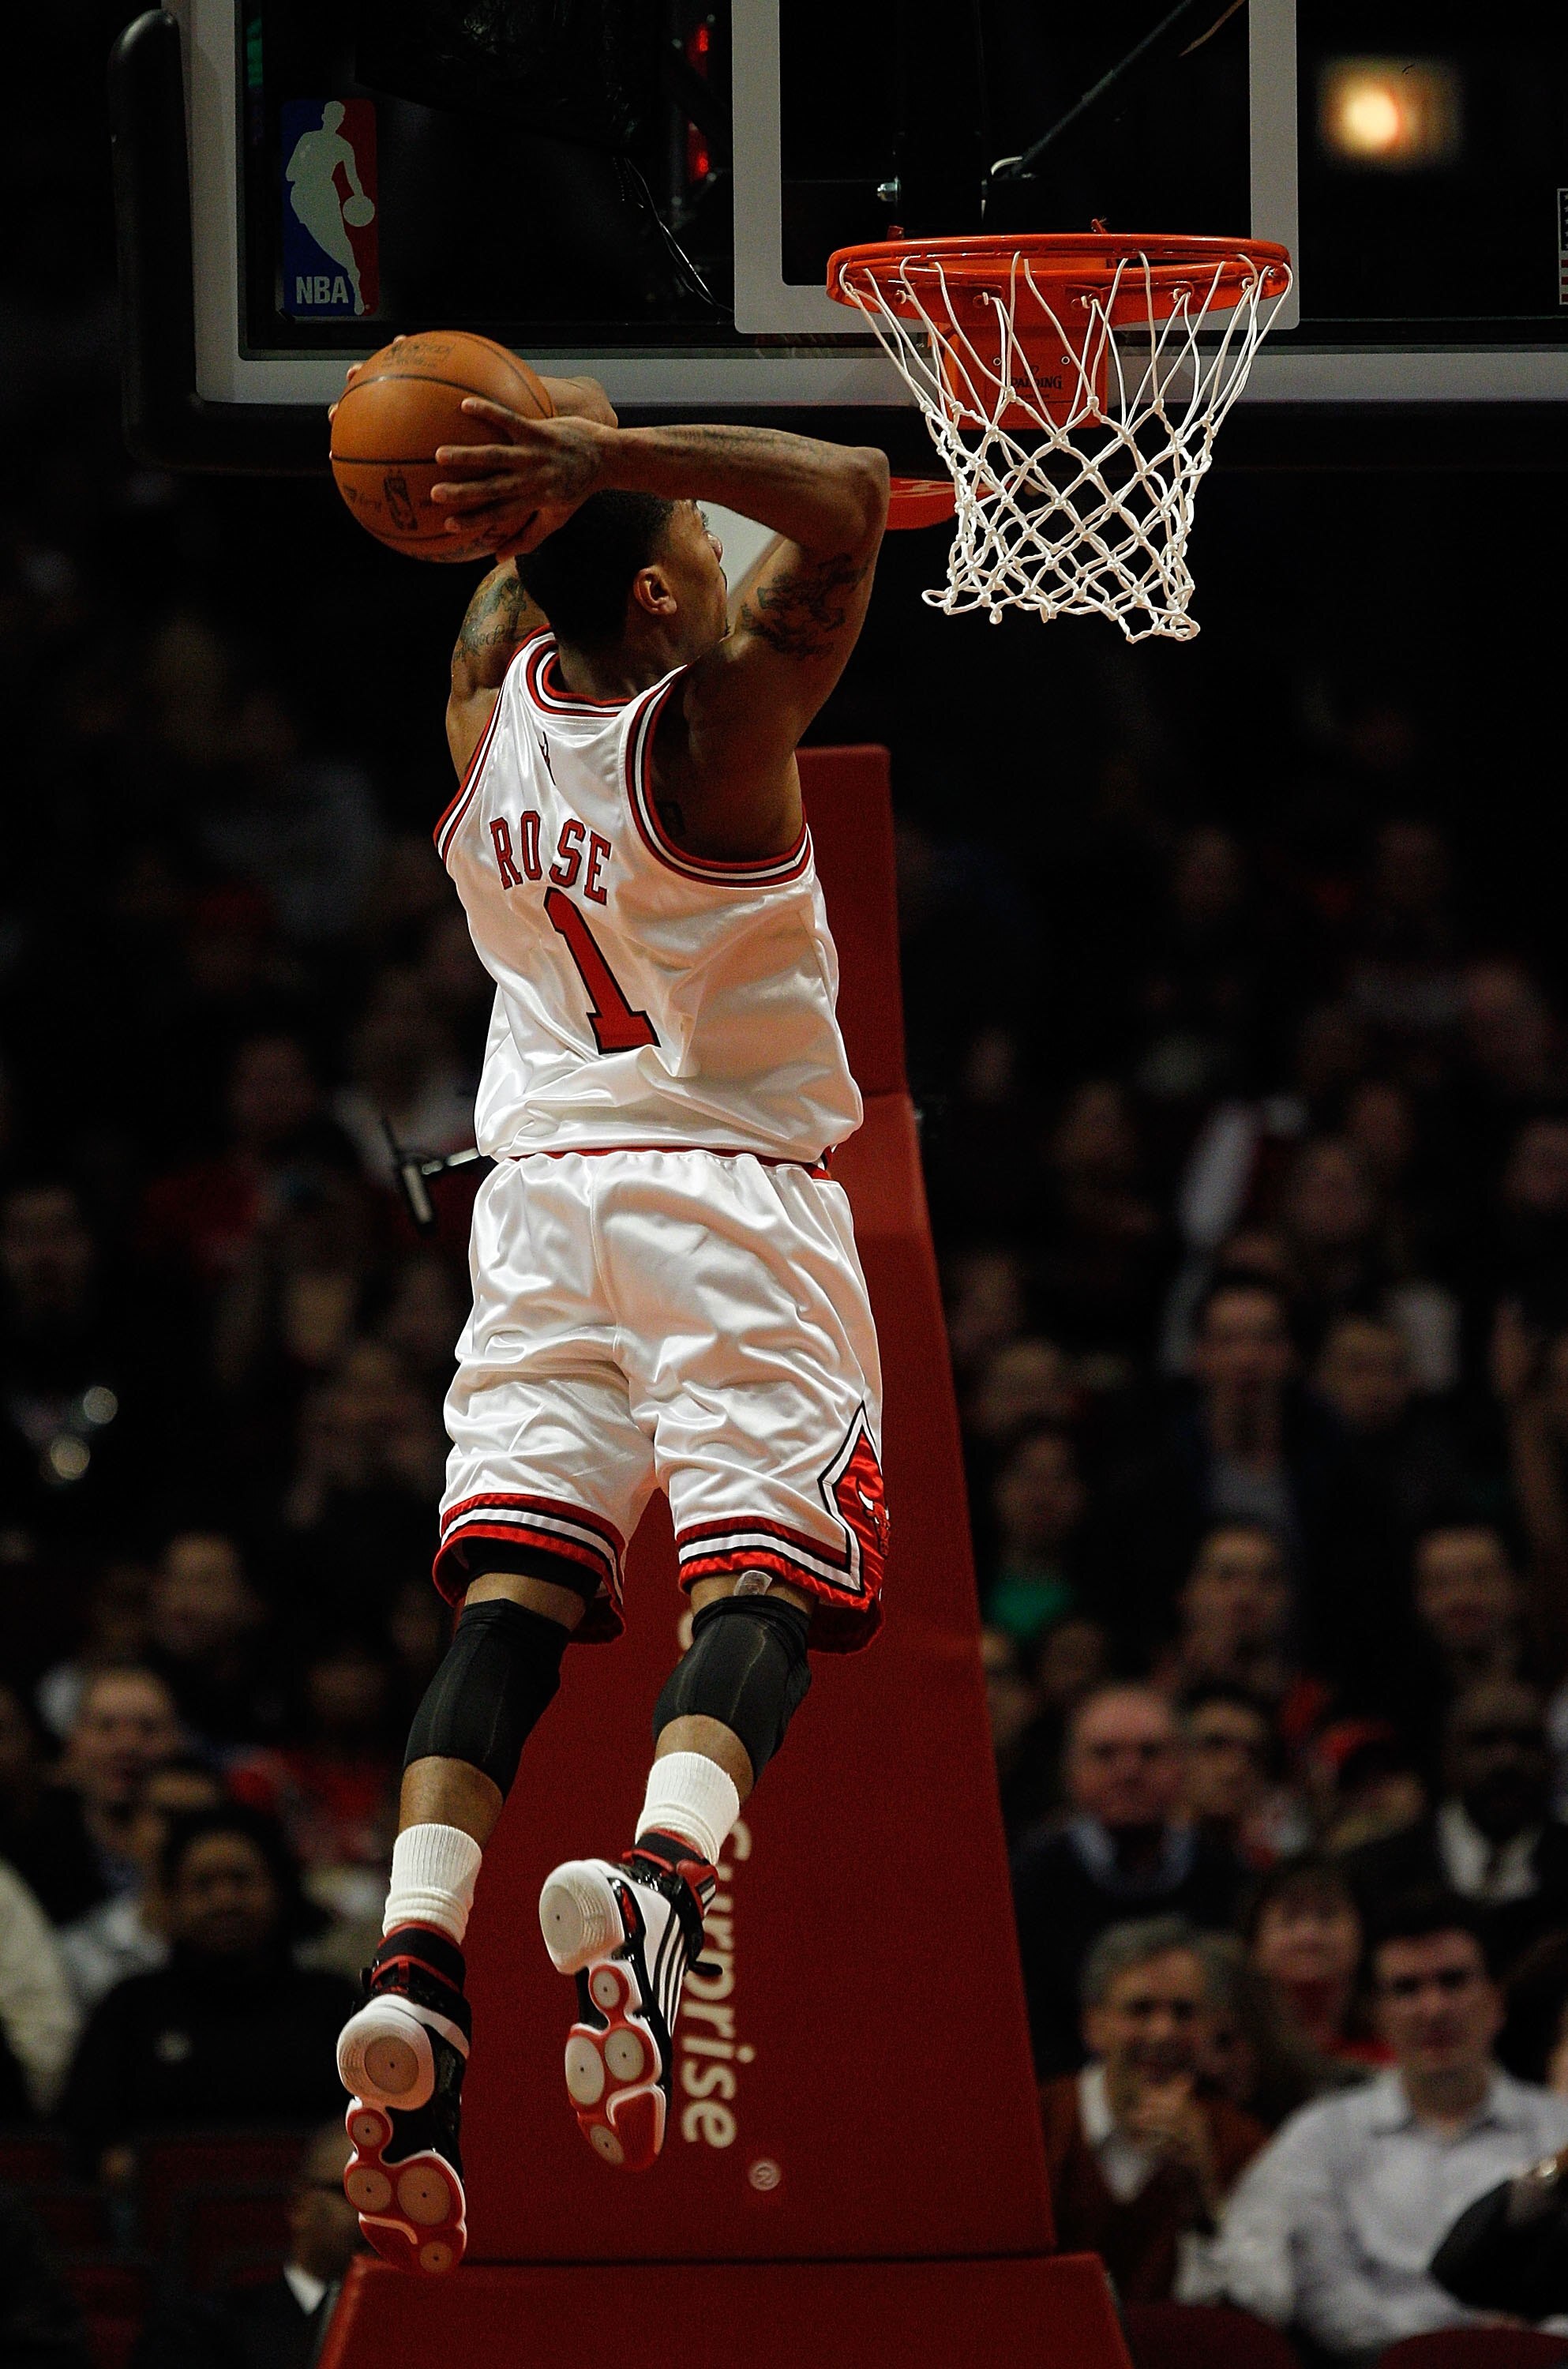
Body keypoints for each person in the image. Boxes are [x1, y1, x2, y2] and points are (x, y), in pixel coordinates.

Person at [329, 371, 892, 2273]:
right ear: (658, 602)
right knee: (761, 1584)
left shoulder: (482, 711)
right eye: (685, 560)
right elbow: (835, 490)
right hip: (725, 1197)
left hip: (537, 1210)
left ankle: (418, 1958)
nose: (717, 574)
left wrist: (525, 473)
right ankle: (653, 1888)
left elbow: (517, 575)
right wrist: (607, 448)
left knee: (509, 1599)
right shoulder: (725, 732)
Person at [1194, 1889, 1568, 2360]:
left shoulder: (1561, 2131)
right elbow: (1324, 2296)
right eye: (1407, 1989)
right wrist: (1455, 2347)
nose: (1433, 2009)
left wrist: (1525, 2347)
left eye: (1453, 1982)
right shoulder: (1318, 2135)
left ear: (1495, 2003)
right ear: (1377, 2013)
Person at [65, 1806, 352, 2179]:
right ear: (169, 1900)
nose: (224, 1901)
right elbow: (87, 2141)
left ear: (280, 1890)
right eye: (202, 1885)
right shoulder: (130, 2009)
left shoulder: (334, 2004)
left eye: (241, 1880)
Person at [1011, 1685, 1246, 2077]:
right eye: (1105, 1754)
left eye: (1150, 1753)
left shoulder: (1232, 1878)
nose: (1129, 1770)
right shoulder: (1022, 1885)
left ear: (1184, 1765)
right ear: (1071, 1770)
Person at [1039, 1917, 1267, 2303]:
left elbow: (1256, 2306)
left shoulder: (1242, 2145)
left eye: (1183, 2013)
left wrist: (1202, 2192)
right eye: (1140, 2010)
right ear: (1094, 2026)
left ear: (1210, 2027)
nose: (1163, 2032)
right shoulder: (1036, 2125)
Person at [1341, 1680, 1568, 1984]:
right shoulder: (1373, 1871)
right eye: (1485, 1742)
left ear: (1553, 1761)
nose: (1506, 1762)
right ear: (1448, 1756)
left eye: (1526, 1742)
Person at [131, 2120, 362, 2369]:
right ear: (299, 2207)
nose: (381, 2220)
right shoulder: (197, 2332)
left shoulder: (404, 2324)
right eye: (360, 2192)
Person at [1241, 1853, 1382, 2072]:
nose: (1309, 1936)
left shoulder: (1396, 2048)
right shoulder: (1234, 2056)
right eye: (1290, 1918)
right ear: (1254, 1941)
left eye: (1327, 1915)